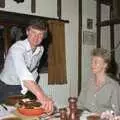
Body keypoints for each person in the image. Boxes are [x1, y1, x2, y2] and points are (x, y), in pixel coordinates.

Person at [0, 19, 54, 113]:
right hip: (7, 87)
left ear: (43, 36)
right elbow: (24, 73)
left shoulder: (40, 50)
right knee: (10, 115)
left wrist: (37, 92)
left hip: (24, 86)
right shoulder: (17, 48)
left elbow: (33, 71)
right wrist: (41, 96)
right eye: (33, 32)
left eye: (40, 34)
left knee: (25, 113)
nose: (36, 37)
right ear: (27, 32)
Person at [77, 48, 120, 114]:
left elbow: (116, 113)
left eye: (96, 62)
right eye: (92, 61)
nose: (92, 65)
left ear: (105, 65)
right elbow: (79, 105)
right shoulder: (87, 83)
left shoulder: (114, 86)